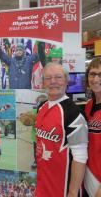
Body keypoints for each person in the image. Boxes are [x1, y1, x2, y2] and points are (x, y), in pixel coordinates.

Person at [34, 62, 88, 197]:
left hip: (62, 189)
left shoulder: (74, 113)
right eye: (48, 78)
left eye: (58, 77)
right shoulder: (41, 107)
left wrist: (73, 192)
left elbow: (80, 157)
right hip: (43, 185)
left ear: (66, 81)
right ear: (43, 83)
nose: (53, 82)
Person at [83, 57, 101, 197]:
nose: (95, 79)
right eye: (92, 74)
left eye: (100, 75)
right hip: (88, 174)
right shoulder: (89, 105)